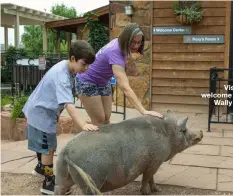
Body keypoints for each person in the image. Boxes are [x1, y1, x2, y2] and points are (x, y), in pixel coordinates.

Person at [22, 40, 98, 195]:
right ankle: (48, 184)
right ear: (72, 59)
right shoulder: (62, 75)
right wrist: (82, 124)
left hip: (40, 110)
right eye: (84, 64)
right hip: (41, 113)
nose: (87, 68)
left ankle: (40, 168)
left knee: (43, 144)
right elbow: (69, 104)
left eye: (88, 64)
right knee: (48, 147)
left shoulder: (67, 67)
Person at [75, 23, 163, 126]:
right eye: (133, 42)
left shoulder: (123, 46)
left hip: (103, 82)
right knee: (99, 121)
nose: (136, 46)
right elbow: (125, 87)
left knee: (106, 119)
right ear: (126, 39)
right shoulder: (115, 51)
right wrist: (143, 111)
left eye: (139, 42)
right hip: (87, 81)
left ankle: (106, 141)